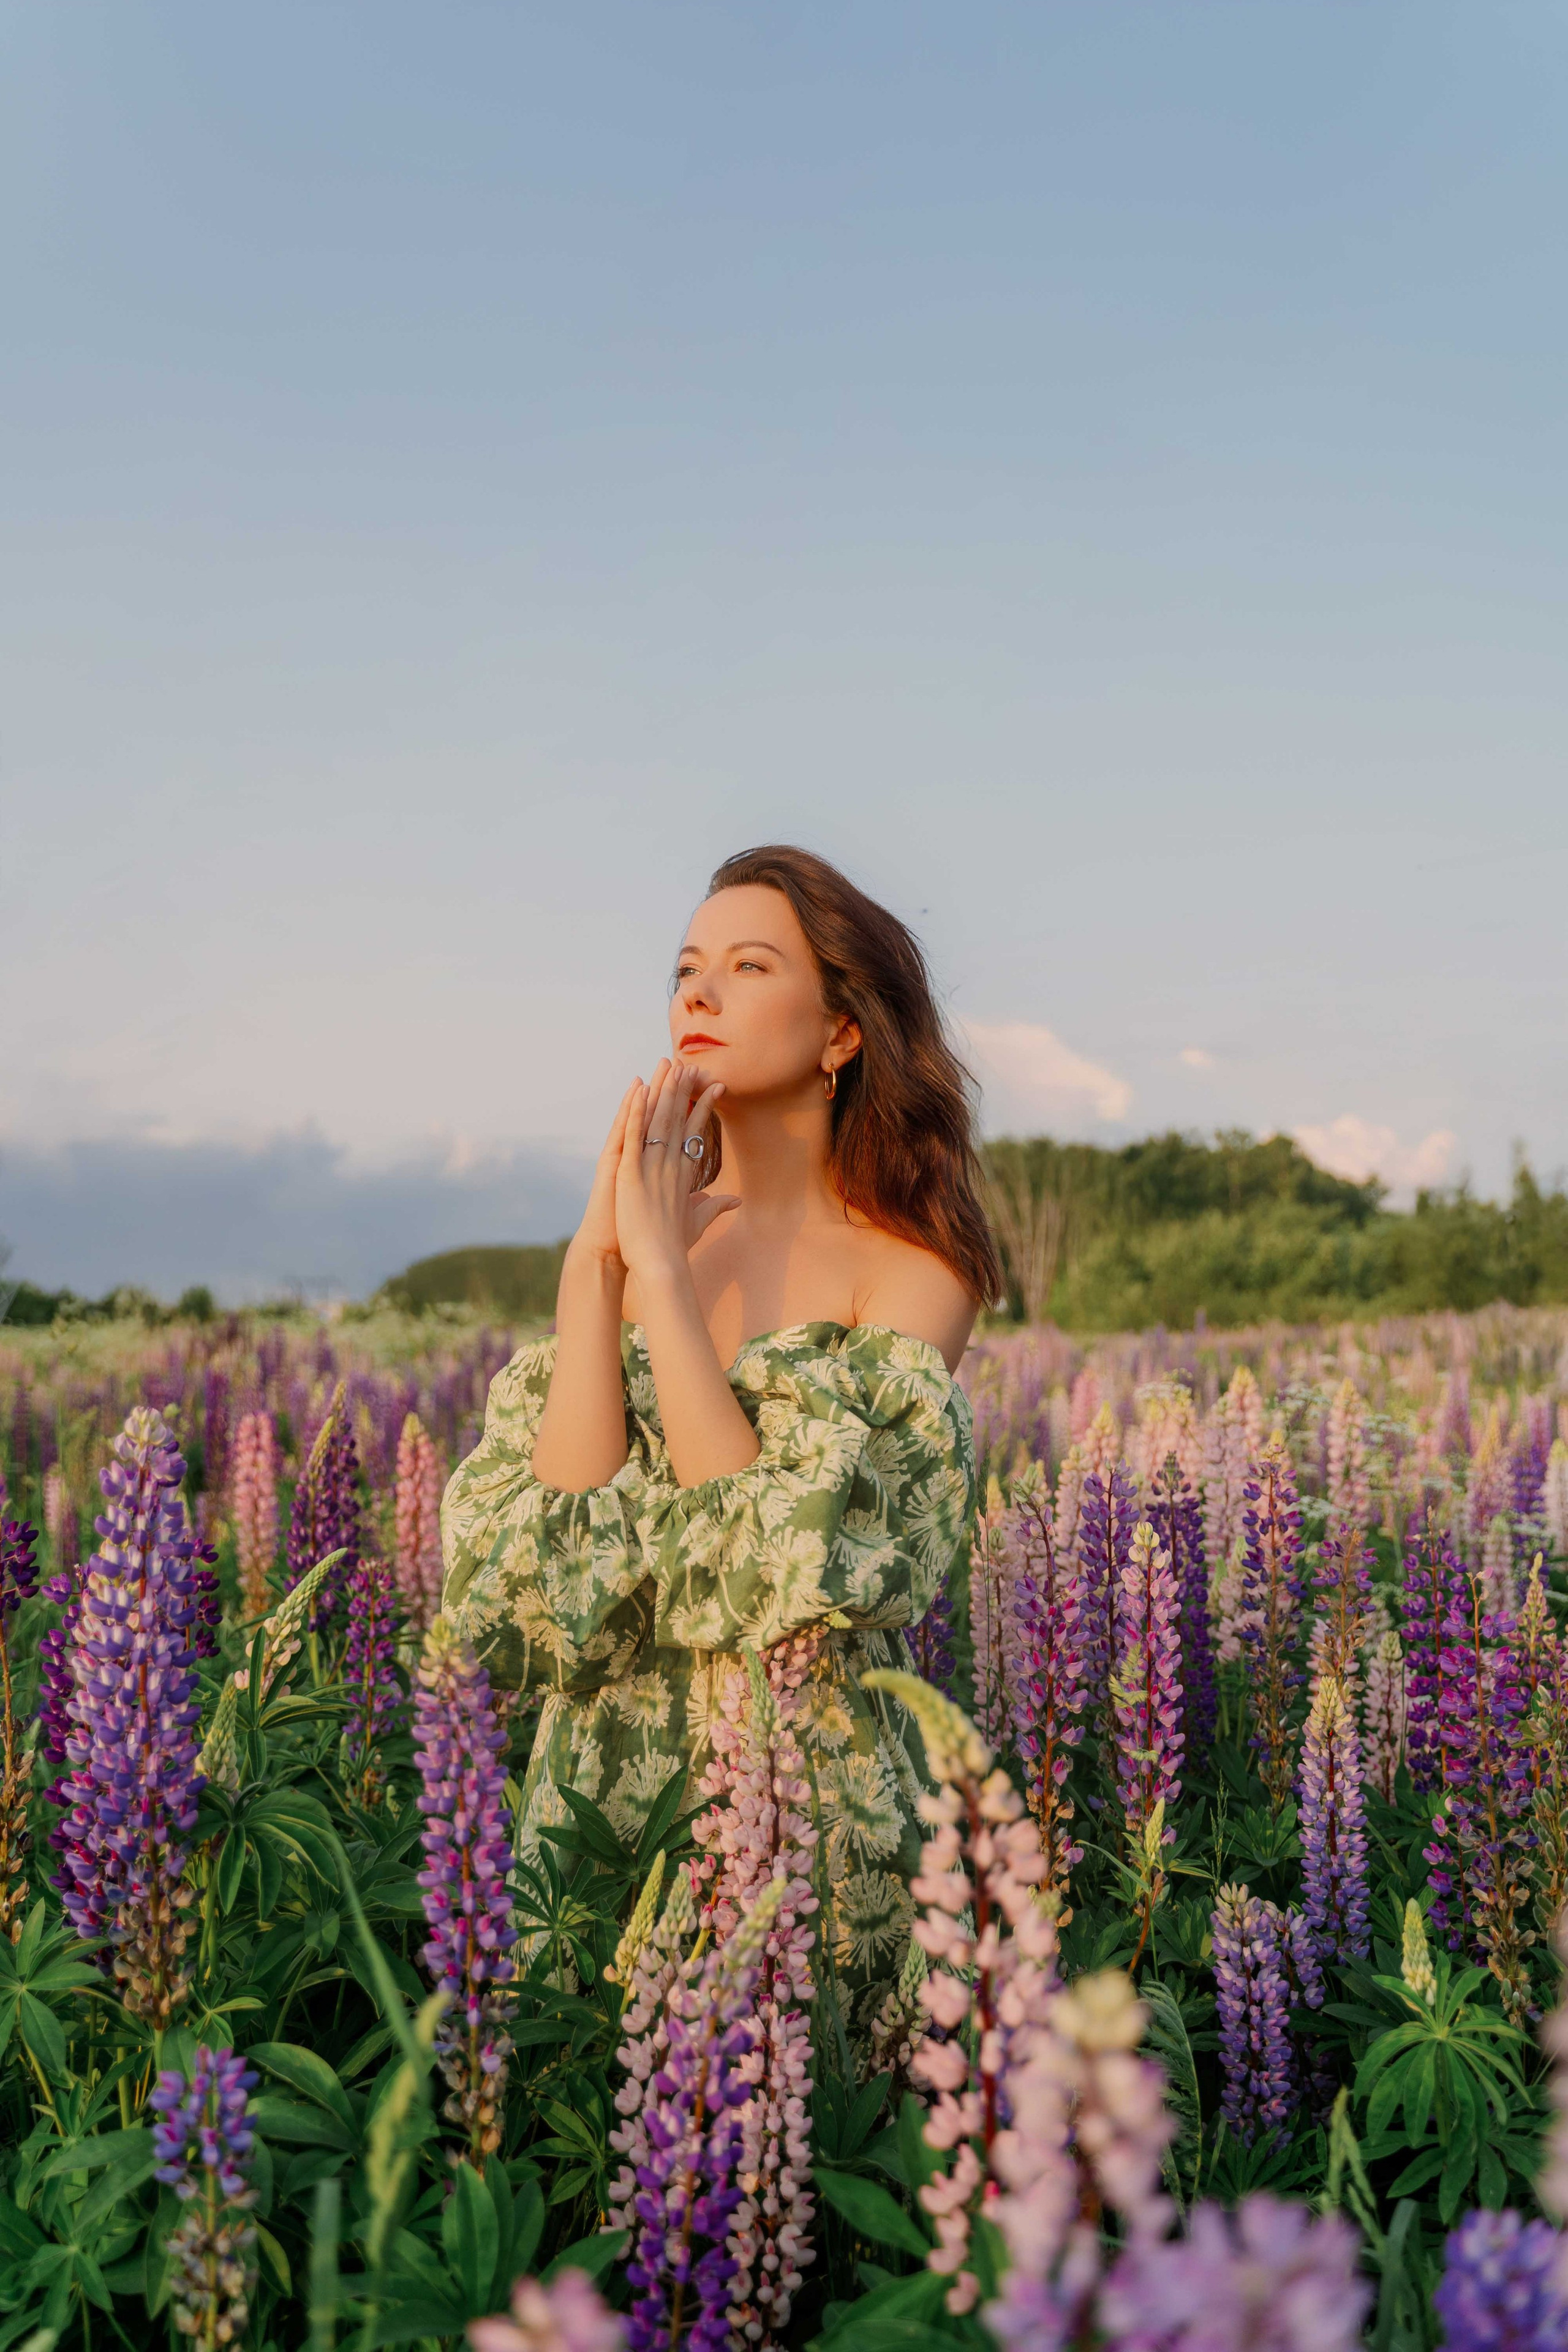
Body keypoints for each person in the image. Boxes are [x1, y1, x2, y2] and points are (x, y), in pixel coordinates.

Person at [440, 843, 1001, 2043]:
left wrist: (660, 1280)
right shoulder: (647, 1247)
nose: (697, 992)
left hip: (804, 1808)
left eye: (748, 966)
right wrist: (594, 1273)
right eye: (685, 968)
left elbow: (765, 1571)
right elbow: (541, 1596)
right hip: (595, 1810)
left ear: (841, 1031)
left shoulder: (913, 1272)